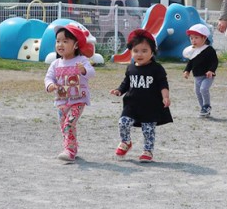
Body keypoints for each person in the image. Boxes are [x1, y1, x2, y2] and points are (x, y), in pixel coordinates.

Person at [111, 29, 172, 163]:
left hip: (150, 106)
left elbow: (163, 84)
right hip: (132, 105)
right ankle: (126, 142)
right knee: (123, 122)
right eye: (136, 50)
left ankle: (147, 151)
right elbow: (126, 83)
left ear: (152, 52)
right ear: (131, 52)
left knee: (148, 129)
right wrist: (119, 91)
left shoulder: (157, 68)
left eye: (144, 51)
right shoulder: (131, 67)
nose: (140, 54)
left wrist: (165, 97)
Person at [44, 24, 96, 164]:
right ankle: (72, 147)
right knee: (64, 125)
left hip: (78, 100)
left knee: (69, 123)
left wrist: (83, 70)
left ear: (76, 45)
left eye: (65, 41)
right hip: (61, 101)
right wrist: (50, 85)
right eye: (58, 41)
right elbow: (48, 78)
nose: (60, 44)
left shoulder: (81, 61)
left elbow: (92, 73)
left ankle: (69, 150)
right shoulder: (55, 64)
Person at [182, 23, 218, 118]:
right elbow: (190, 62)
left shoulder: (209, 50)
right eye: (191, 38)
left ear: (204, 38)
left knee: (203, 89)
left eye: (196, 38)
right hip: (197, 76)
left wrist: (211, 70)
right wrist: (187, 71)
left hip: (207, 76)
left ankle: (207, 105)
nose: (193, 40)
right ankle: (203, 108)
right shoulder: (193, 50)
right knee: (197, 92)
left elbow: (215, 61)